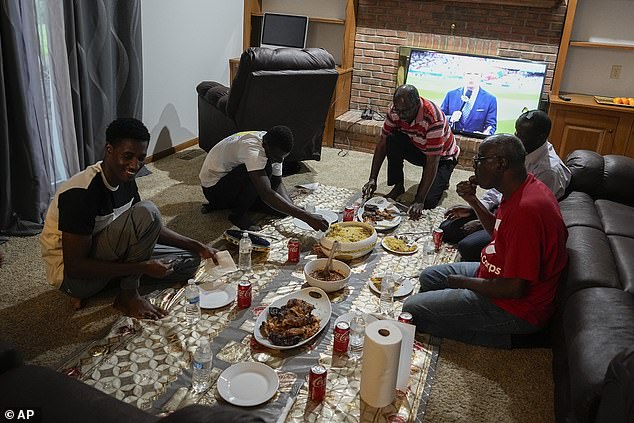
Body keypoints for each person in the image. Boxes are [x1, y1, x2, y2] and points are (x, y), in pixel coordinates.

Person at [40, 118, 218, 319]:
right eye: (128, 156)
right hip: (73, 277)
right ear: (109, 150)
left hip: (110, 252)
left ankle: (111, 281)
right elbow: (75, 266)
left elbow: (149, 227)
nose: (135, 165)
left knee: (189, 261)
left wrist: (196, 245)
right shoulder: (80, 194)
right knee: (147, 211)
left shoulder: (124, 179)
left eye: (141, 157)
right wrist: (141, 267)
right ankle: (128, 295)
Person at [402, 134, 568, 348]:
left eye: (479, 160)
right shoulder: (519, 188)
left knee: (412, 312)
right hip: (494, 272)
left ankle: (512, 338)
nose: (474, 166)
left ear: (501, 164)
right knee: (429, 277)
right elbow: (498, 231)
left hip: (517, 306)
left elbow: (514, 289)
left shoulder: (527, 210)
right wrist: (472, 201)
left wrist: (461, 283)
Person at [440, 109, 572, 261]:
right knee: (447, 229)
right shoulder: (520, 151)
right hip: (504, 209)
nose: (517, 138)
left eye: (522, 135)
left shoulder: (549, 171)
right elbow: (499, 189)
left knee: (467, 247)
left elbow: (523, 216)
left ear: (541, 137)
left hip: (519, 224)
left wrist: (480, 222)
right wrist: (476, 208)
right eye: (516, 132)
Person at [199, 127, 329, 231]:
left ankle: (243, 203)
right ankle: (237, 215)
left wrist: (292, 207)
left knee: (284, 211)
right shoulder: (252, 149)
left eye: (282, 157)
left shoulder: (273, 146)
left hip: (232, 186)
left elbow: (277, 182)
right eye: (277, 157)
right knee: (262, 170)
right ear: (265, 145)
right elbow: (266, 193)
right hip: (214, 190)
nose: (279, 160)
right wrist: (306, 217)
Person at [362, 85, 460, 218]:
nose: (401, 116)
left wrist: (419, 199)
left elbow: (432, 162)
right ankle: (398, 186)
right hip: (419, 147)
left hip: (442, 157)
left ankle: (443, 178)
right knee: (392, 138)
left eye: (406, 111)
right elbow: (382, 144)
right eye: (398, 110)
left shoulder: (433, 118)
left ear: (416, 104)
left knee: (428, 202)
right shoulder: (395, 111)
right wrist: (372, 179)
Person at [440, 70, 497, 135]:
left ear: (481, 77)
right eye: (468, 73)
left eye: (476, 74)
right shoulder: (451, 95)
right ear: (464, 75)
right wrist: (450, 118)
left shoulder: (490, 99)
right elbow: (440, 118)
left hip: (474, 142)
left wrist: (486, 133)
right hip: (451, 139)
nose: (471, 77)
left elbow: (491, 125)